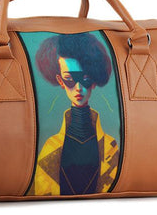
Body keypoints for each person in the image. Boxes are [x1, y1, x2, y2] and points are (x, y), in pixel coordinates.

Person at [29, 33, 119, 196]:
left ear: (94, 81)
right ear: (60, 81)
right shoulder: (51, 147)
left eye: (85, 79)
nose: (78, 88)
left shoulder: (110, 146)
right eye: (70, 79)